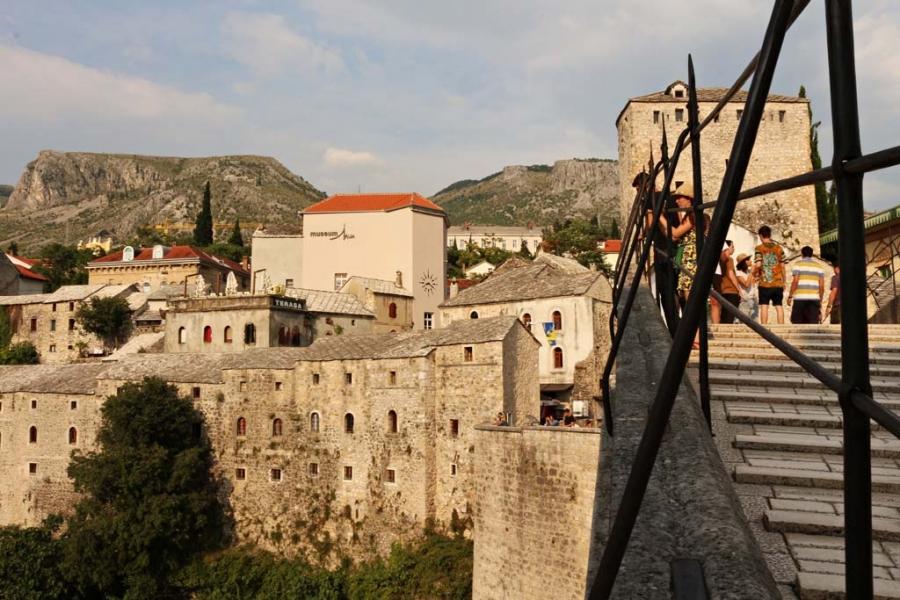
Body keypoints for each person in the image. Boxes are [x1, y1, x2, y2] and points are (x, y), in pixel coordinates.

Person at [753, 225, 786, 324]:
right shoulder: (779, 248)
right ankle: (782, 327)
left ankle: (764, 328)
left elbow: (758, 264)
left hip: (764, 283)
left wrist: (754, 273)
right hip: (778, 283)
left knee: (764, 306)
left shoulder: (759, 248)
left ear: (761, 236)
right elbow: (783, 266)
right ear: (769, 234)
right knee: (779, 306)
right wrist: (784, 281)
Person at [787, 246, 825, 324]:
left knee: (797, 323)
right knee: (813, 324)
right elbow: (821, 286)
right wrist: (820, 300)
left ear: (802, 254)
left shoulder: (797, 265)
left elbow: (795, 281)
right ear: (812, 254)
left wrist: (790, 296)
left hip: (800, 298)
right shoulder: (819, 267)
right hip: (814, 299)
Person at [716, 241, 743, 324]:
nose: (734, 249)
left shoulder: (720, 259)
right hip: (731, 291)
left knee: (724, 316)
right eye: (732, 247)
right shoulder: (729, 259)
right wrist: (739, 289)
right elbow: (731, 274)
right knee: (729, 317)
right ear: (727, 248)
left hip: (723, 290)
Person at [735, 253, 759, 320]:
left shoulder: (748, 272)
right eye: (748, 260)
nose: (750, 261)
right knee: (744, 321)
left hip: (753, 299)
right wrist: (751, 272)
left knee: (754, 322)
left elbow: (753, 284)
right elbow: (746, 284)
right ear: (743, 262)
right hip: (745, 299)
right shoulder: (738, 273)